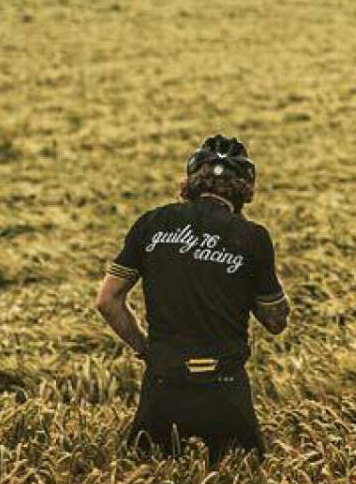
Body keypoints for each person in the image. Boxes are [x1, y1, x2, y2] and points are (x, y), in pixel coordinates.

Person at [95, 134, 290, 461]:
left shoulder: (151, 223)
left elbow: (107, 301)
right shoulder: (252, 237)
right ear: (245, 186)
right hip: (225, 386)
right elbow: (275, 321)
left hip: (163, 380)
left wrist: (145, 348)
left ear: (191, 179)